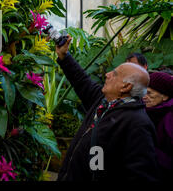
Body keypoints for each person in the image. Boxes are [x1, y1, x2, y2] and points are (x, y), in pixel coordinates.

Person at [55, 36, 159, 181]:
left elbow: (141, 175)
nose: (107, 74)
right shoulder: (103, 100)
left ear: (126, 86)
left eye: (114, 74)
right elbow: (81, 80)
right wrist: (64, 56)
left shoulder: (137, 124)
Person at [142, 72, 173, 181]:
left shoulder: (169, 119)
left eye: (149, 93)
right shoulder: (150, 111)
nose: (144, 97)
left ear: (165, 96)